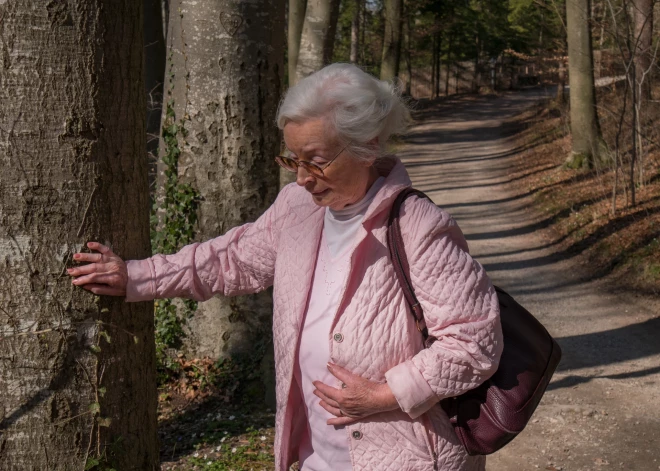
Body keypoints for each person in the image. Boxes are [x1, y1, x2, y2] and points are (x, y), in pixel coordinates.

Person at [68, 63, 503, 471]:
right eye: (292, 160)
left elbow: (474, 341)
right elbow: (231, 259)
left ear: (368, 145)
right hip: (317, 455)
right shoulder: (298, 208)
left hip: (405, 458)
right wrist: (136, 276)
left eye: (315, 160)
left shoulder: (418, 226)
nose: (302, 178)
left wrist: (384, 395)